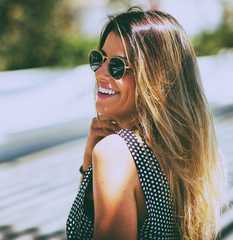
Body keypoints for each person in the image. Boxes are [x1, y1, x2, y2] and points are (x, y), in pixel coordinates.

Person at [66, 6, 227, 240]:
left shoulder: (115, 153)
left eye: (117, 66)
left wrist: (100, 155)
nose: (100, 72)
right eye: (98, 58)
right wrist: (87, 164)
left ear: (154, 79)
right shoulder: (179, 153)